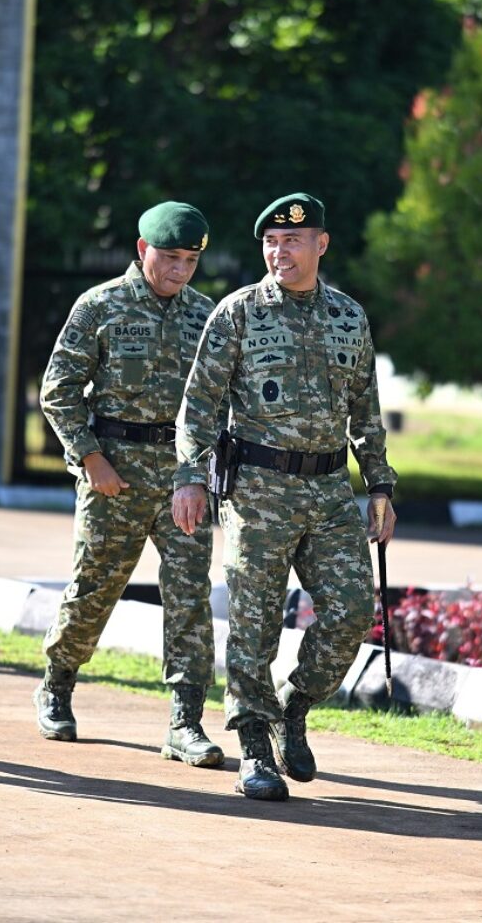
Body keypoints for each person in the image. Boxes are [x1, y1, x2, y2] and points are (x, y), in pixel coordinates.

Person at [172, 192, 397, 802]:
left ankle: (292, 709)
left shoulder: (349, 316)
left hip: (328, 490)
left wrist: (380, 484)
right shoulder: (238, 312)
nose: (280, 251)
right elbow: (199, 405)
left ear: (320, 244)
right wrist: (189, 476)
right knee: (254, 622)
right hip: (258, 490)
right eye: (271, 241)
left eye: (293, 241)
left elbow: (366, 411)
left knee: (353, 610)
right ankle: (253, 746)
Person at [33, 201, 224, 768]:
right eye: (170, 257)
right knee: (94, 589)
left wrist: (205, 470)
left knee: (190, 596)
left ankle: (185, 721)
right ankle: (57, 683)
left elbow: (216, 400)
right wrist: (91, 461)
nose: (180, 270)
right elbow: (58, 391)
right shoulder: (101, 306)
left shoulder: (206, 316)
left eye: (190, 260)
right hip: (113, 474)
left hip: (182, 479)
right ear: (142, 251)